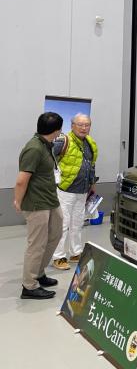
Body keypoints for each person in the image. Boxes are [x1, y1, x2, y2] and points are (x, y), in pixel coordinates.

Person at [14, 112, 64, 299]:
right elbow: (21, 180)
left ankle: (39, 272)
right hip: (36, 203)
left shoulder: (46, 145)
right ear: (56, 130)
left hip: (50, 199)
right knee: (37, 244)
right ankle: (29, 285)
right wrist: (18, 201)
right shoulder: (34, 148)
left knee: (55, 234)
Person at [52, 113, 99, 270]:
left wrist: (92, 184)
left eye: (87, 125)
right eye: (80, 125)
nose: (84, 128)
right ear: (72, 126)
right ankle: (58, 256)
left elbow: (91, 164)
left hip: (83, 190)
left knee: (77, 224)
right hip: (65, 190)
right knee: (63, 224)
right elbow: (47, 158)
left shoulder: (90, 143)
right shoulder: (63, 141)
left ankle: (75, 253)